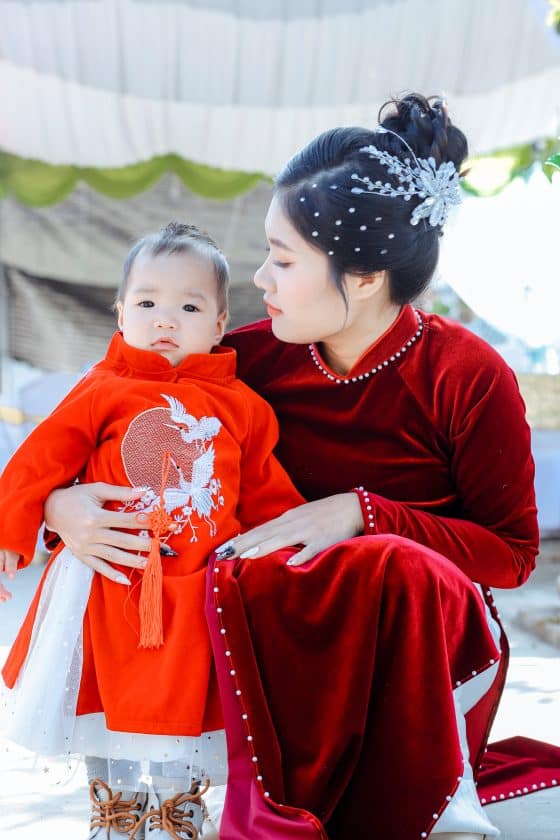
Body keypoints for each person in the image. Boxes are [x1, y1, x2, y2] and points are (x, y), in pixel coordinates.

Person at [15, 94, 542, 840]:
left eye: (283, 259)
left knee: (388, 565)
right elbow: (113, 415)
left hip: (411, 643)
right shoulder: (247, 362)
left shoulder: (467, 374)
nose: (258, 279)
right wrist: (62, 506)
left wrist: (362, 514)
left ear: (361, 278)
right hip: (280, 626)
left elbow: (513, 555)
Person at [0, 222, 304, 839]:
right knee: (105, 701)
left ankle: (177, 808)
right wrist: (11, 536)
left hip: (198, 591)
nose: (166, 319)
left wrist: (296, 564)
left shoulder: (243, 407)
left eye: (189, 306)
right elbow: (38, 462)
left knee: (189, 707)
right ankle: (115, 807)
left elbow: (271, 497)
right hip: (109, 583)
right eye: (147, 303)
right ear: (120, 313)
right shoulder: (101, 389)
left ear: (219, 324)